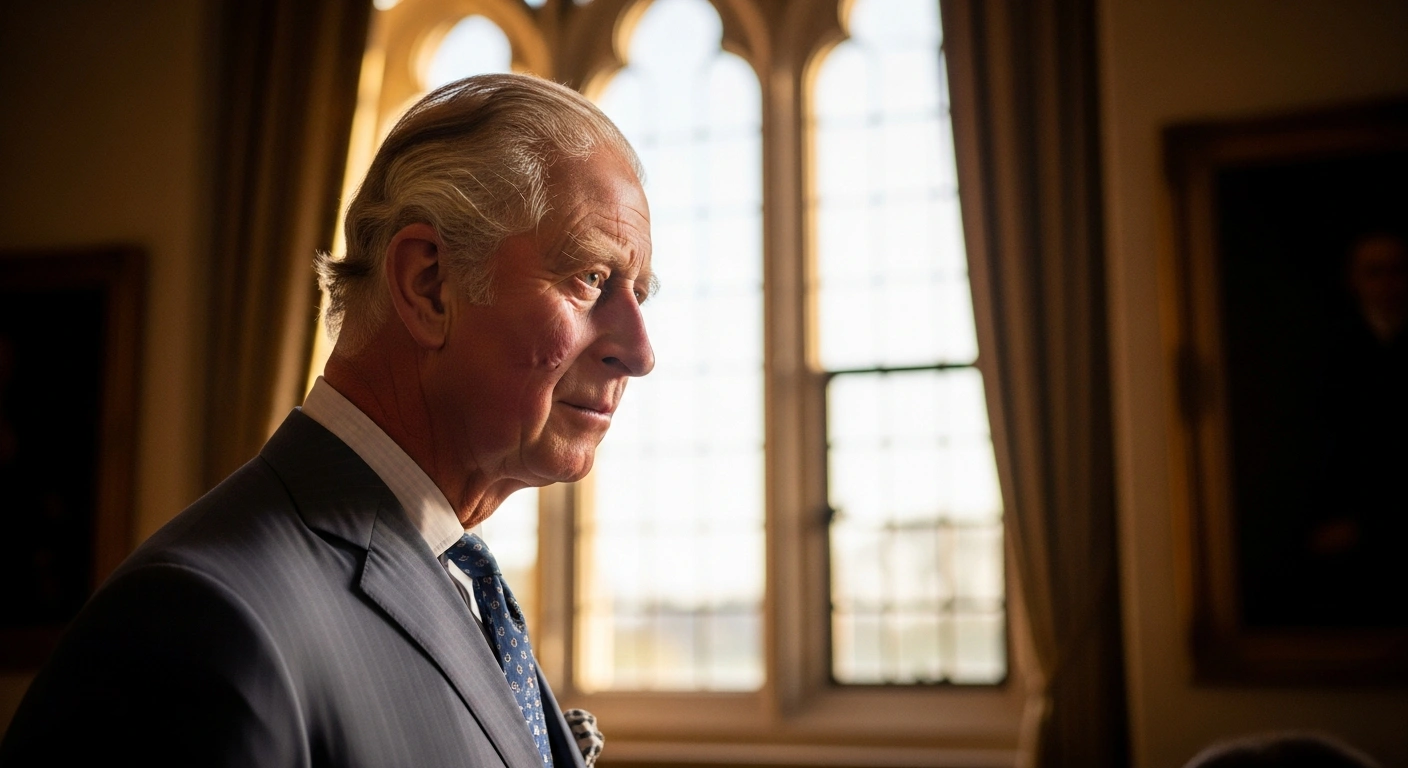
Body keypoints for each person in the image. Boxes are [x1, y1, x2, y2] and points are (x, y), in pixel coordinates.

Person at [0, 73, 653, 767]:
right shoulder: (198, 625)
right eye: (591, 278)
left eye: (640, 294)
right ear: (429, 285)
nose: (641, 353)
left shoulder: (463, 581)